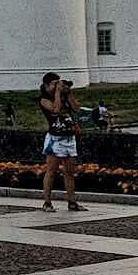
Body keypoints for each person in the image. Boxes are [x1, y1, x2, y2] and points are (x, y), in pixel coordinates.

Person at [39, 72, 85, 212]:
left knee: (69, 171)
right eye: (54, 83)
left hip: (68, 136)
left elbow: (76, 108)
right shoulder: (44, 99)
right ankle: (47, 202)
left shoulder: (64, 96)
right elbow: (56, 110)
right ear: (47, 85)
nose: (57, 86)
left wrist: (69, 93)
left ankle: (72, 202)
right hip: (55, 138)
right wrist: (58, 94)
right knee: (51, 171)